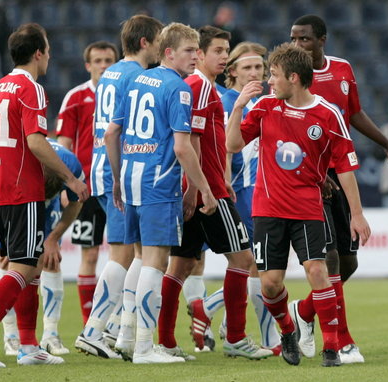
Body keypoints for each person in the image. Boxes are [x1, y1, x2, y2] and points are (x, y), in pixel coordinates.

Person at [0, 23, 88, 368]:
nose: (50, 56)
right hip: (23, 187)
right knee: (24, 266)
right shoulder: (31, 89)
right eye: (49, 50)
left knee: (29, 263)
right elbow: (36, 142)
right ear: (38, 53)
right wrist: (71, 178)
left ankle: (28, 345)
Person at [226, 42, 371, 367]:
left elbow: (345, 166)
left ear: (294, 77)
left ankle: (331, 348)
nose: (269, 81)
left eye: (274, 75)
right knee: (271, 283)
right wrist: (238, 108)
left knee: (318, 271)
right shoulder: (264, 107)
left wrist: (357, 214)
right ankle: (288, 331)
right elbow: (232, 144)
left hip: (308, 208)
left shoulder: (327, 114)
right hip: (267, 209)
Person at [288, 14, 388, 365]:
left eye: (304, 39)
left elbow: (353, 112)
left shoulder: (341, 69)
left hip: (341, 174)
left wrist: (387, 145)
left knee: (349, 262)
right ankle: (340, 341)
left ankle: (304, 310)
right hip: (310, 179)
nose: (297, 46)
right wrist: (311, 169)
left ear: (321, 40)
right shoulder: (290, 80)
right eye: (293, 39)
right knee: (331, 257)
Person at [156, 26, 272, 361]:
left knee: (179, 265)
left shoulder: (194, 87)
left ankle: (165, 341)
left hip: (198, 186)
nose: (223, 56)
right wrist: (203, 188)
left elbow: (205, 142)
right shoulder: (200, 87)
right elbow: (190, 142)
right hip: (206, 191)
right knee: (243, 259)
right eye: (217, 51)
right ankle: (235, 336)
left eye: (226, 50)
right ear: (200, 55)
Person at [105, 22, 217, 364]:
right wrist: (205, 190)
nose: (195, 58)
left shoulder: (137, 79)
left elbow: (112, 133)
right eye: (188, 51)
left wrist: (117, 177)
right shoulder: (179, 89)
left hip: (132, 178)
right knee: (156, 263)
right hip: (159, 183)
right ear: (168, 52)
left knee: (140, 257)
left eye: (197, 51)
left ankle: (125, 336)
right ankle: (143, 347)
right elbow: (183, 149)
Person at [75, 14, 163, 360]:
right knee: (124, 253)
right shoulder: (138, 76)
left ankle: (120, 328)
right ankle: (94, 329)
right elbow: (118, 131)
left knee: (138, 251)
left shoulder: (111, 73)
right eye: (157, 41)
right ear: (145, 42)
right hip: (119, 170)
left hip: (103, 165)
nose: (160, 47)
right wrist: (120, 178)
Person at [0, 138, 85, 358]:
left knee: (50, 260)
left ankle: (51, 335)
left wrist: (53, 237)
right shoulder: (15, 161)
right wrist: (7, 241)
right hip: (13, 199)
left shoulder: (70, 165)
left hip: (43, 196)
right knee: (11, 262)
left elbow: (76, 202)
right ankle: (11, 337)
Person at [221, 41, 281, 353]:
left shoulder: (267, 101)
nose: (255, 73)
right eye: (247, 68)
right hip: (240, 191)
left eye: (259, 67)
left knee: (256, 265)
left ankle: (214, 312)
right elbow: (227, 147)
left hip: (259, 191)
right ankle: (267, 338)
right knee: (257, 265)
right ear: (232, 72)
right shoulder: (231, 100)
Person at [56, 40, 118, 329]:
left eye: (109, 60)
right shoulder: (76, 97)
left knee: (124, 254)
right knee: (90, 253)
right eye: (98, 61)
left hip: (117, 185)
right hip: (86, 189)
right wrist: (64, 187)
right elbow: (63, 148)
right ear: (88, 65)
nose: (104, 65)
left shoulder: (125, 94)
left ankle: (116, 321)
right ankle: (88, 323)